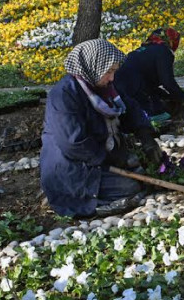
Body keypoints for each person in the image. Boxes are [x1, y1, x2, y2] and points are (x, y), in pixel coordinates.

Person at [41, 38, 165, 218]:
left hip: (100, 158)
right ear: (94, 67)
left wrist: (146, 137)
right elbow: (73, 143)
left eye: (114, 71)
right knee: (130, 186)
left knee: (140, 172)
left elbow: (131, 109)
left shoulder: (104, 88)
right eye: (109, 72)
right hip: (73, 166)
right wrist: (110, 159)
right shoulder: (64, 95)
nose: (112, 78)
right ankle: (88, 204)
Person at [115, 27, 184, 121]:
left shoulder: (142, 50)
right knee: (162, 116)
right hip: (133, 88)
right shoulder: (163, 51)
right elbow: (168, 82)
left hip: (118, 89)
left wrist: (169, 96)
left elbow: (149, 82)